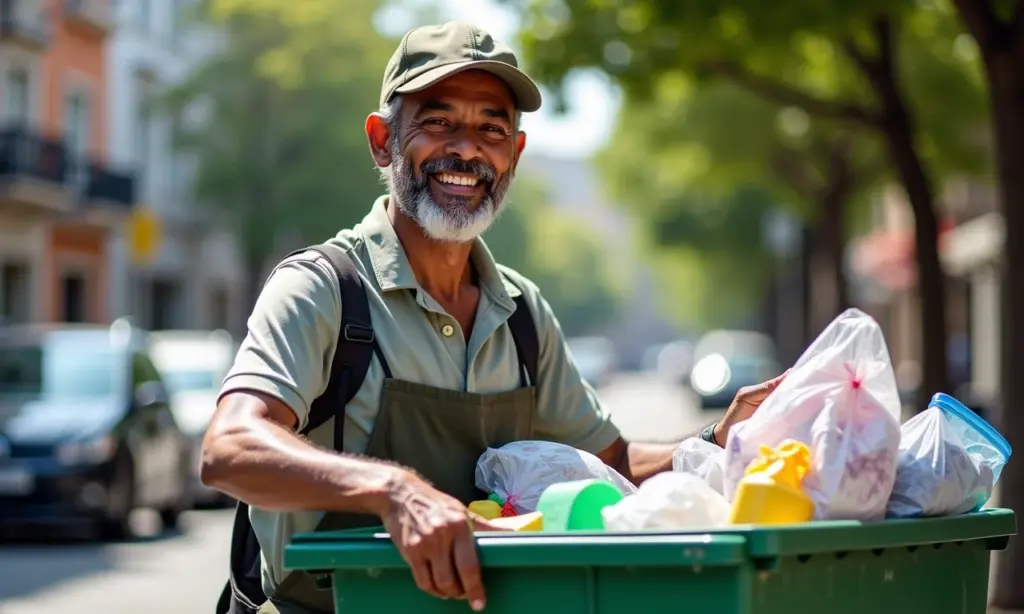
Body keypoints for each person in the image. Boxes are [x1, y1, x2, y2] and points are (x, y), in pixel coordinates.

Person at [201, 20, 787, 614]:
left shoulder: (522, 313)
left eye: (491, 129)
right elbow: (229, 448)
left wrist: (718, 439)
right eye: (438, 123)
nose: (466, 150)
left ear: (514, 155)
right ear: (381, 141)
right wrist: (392, 490)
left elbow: (613, 463)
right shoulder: (324, 288)